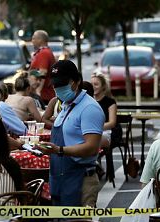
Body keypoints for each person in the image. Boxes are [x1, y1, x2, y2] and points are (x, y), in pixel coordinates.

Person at [35, 60, 104, 207]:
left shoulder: (89, 108)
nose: (57, 88)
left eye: (61, 84)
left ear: (76, 81)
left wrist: (59, 150)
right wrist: (46, 149)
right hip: (60, 181)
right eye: (55, 85)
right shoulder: (65, 106)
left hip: (80, 181)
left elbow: (91, 147)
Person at [90, 74, 120, 150]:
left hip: (108, 132)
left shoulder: (110, 102)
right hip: (93, 132)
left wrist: (95, 128)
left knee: (92, 141)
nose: (93, 87)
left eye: (96, 84)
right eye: (91, 84)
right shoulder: (89, 101)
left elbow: (112, 123)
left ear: (103, 86)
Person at [30, 30, 56, 102]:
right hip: (46, 94)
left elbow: (42, 73)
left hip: (44, 95)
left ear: (40, 40)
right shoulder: (45, 52)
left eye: (34, 38)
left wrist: (38, 92)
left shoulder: (44, 53)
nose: (32, 41)